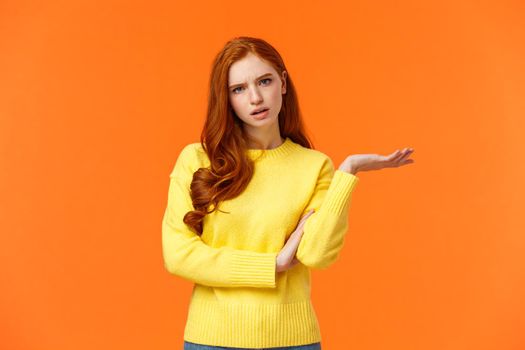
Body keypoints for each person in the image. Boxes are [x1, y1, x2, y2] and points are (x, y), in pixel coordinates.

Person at [161, 36, 415, 350]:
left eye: (264, 81)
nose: (255, 98)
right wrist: (273, 264)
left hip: (292, 340)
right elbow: (178, 255)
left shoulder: (314, 166)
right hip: (212, 340)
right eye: (238, 89)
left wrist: (347, 172)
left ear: (282, 82)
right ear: (226, 98)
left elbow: (316, 255)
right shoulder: (196, 160)